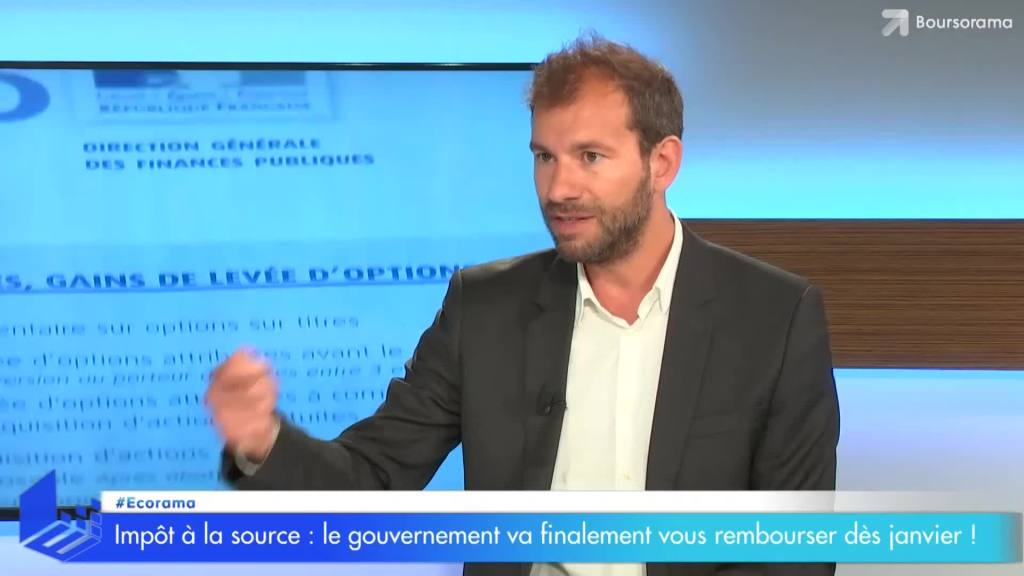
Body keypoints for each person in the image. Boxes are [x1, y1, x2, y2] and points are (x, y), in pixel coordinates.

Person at [205, 35, 840, 576]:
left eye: (590, 157)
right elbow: (374, 476)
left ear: (662, 162)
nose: (559, 188)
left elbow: (794, 555)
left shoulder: (774, 318)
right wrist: (264, 442)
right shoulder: (483, 309)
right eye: (544, 157)